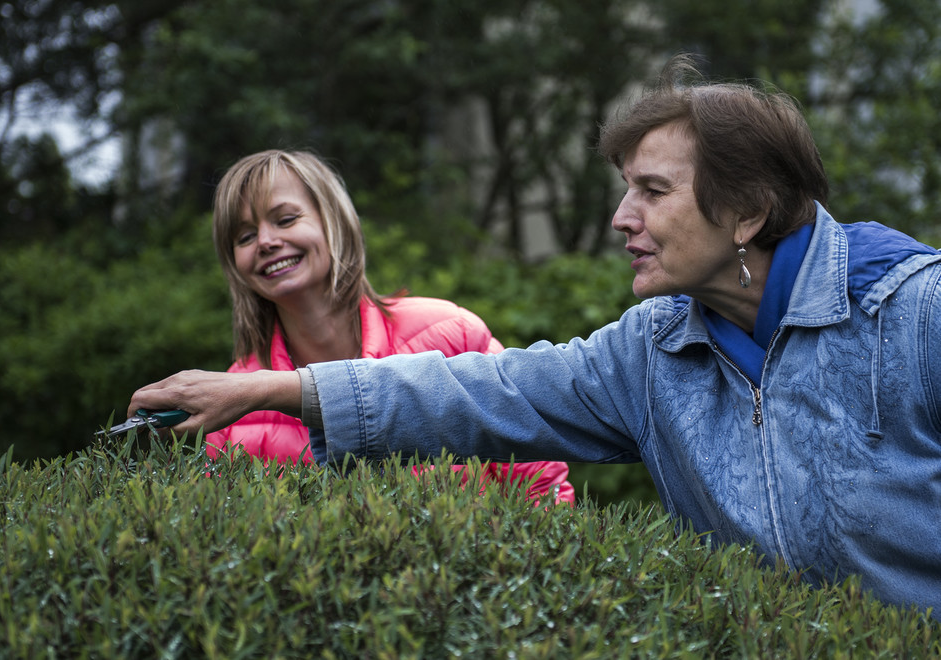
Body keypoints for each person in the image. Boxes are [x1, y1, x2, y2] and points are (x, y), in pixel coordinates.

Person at [130, 58, 941, 617]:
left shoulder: (916, 315)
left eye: (652, 192)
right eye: (626, 191)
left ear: (749, 211)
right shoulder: (649, 352)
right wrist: (263, 390)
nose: (622, 219)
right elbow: (479, 391)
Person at [189, 148, 573, 503]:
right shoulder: (235, 400)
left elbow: (542, 489)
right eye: (245, 236)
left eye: (286, 219)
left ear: (334, 222)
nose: (267, 241)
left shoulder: (453, 335)